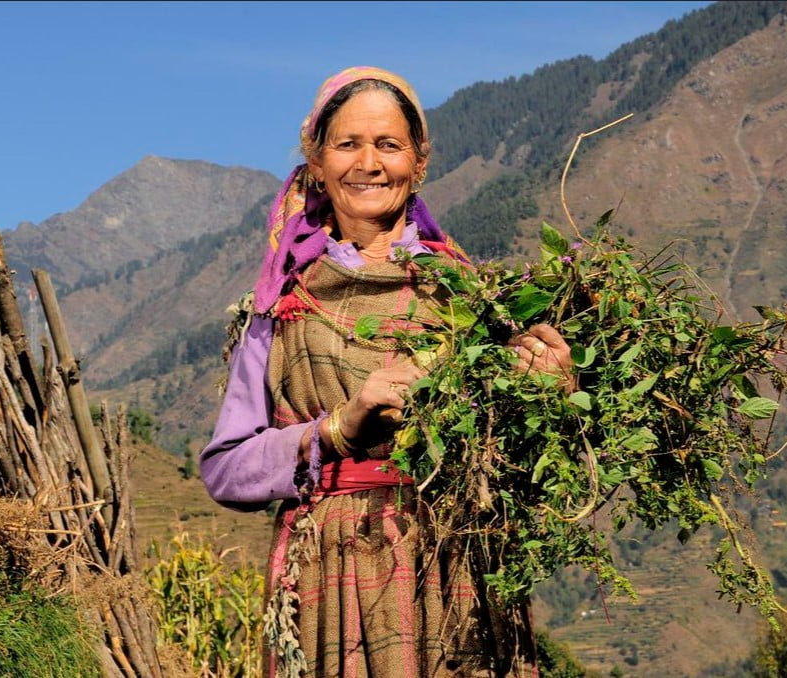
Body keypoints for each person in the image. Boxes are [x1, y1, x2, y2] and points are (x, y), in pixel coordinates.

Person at [200, 66, 574, 678]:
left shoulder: (470, 300)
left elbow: (517, 466)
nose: (368, 163)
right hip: (332, 574)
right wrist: (335, 428)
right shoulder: (282, 307)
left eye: (389, 146)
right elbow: (225, 469)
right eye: (348, 144)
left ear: (419, 162)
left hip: (456, 565)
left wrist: (550, 395)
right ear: (316, 163)